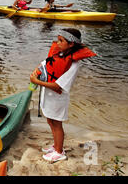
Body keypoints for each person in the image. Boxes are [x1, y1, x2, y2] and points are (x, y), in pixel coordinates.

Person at [30, 28, 96, 163]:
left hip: (58, 99)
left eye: (61, 41)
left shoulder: (74, 63)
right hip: (48, 96)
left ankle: (59, 152)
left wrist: (37, 82)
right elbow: (45, 64)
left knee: (57, 123)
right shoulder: (59, 54)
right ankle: (56, 146)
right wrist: (37, 71)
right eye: (58, 39)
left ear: (71, 44)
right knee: (50, 120)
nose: (57, 43)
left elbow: (58, 86)